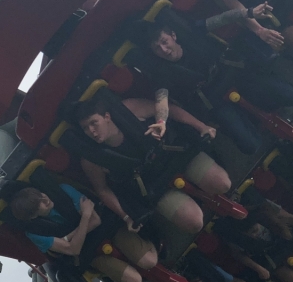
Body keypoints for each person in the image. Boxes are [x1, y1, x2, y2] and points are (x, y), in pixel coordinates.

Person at [143, 8, 293, 155]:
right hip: (216, 102)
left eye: (164, 42)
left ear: (173, 36)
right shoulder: (161, 72)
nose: (164, 50)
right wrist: (161, 121)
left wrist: (250, 12)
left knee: (292, 96)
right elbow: (161, 99)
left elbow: (224, 18)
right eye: (157, 48)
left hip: (238, 78)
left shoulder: (193, 31)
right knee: (251, 146)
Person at [73, 93, 231, 235]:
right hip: (154, 185)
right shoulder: (91, 158)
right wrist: (126, 217)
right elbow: (102, 189)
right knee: (194, 223)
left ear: (107, 116)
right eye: (85, 128)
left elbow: (169, 109)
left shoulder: (128, 109)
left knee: (223, 184)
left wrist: (201, 126)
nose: (91, 131)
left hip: (176, 157)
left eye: (94, 123)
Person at [9, 182, 156, 282]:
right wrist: (85, 216)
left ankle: (154, 240)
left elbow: (96, 221)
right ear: (33, 216)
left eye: (41, 195)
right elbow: (74, 250)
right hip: (90, 251)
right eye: (38, 204)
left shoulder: (63, 190)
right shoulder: (34, 232)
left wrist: (68, 238)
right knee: (135, 281)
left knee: (149, 261)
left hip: (108, 230)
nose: (45, 200)